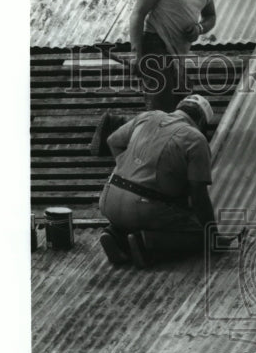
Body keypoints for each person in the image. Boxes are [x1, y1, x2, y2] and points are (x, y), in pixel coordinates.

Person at [98, 93, 231, 267]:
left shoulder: (148, 116)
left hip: (109, 198)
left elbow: (112, 141)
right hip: (142, 208)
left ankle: (116, 234)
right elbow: (199, 195)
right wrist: (212, 236)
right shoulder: (196, 139)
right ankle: (145, 243)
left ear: (179, 109)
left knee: (149, 210)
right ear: (200, 122)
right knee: (198, 233)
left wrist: (126, 168)